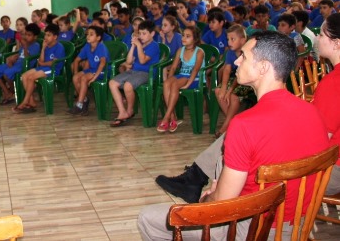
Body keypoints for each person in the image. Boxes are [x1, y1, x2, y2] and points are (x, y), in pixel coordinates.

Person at [139, 31, 330, 241]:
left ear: (263, 67)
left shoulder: (244, 124)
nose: (237, 61)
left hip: (255, 229)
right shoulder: (312, 111)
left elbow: (220, 205)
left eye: (244, 57)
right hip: (298, 225)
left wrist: (207, 198)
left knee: (148, 218)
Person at [109, 20, 160, 127]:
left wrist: (139, 46)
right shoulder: (139, 45)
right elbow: (128, 62)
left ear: (152, 34)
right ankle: (122, 111)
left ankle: (130, 110)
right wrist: (133, 46)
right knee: (112, 83)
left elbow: (142, 60)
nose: (141, 36)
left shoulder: (154, 46)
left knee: (128, 85)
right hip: (134, 71)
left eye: (144, 33)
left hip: (146, 73)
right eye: (140, 33)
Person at [312, 13, 340, 194]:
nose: (317, 38)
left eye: (321, 34)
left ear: (336, 43)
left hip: (333, 168)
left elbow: (320, 137)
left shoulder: (333, 82)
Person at [157, 26, 204, 133]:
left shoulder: (199, 52)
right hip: (182, 75)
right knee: (166, 83)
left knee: (175, 84)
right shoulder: (180, 50)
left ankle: (166, 118)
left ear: (195, 39)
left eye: (188, 36)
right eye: (183, 35)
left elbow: (195, 70)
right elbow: (173, 67)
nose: (183, 38)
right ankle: (173, 118)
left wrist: (188, 84)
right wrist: (168, 82)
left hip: (194, 78)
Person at [14, 23, 65, 113]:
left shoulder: (59, 47)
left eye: (48, 35)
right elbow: (41, 60)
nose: (46, 37)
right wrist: (43, 49)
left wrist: (43, 63)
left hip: (53, 70)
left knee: (31, 78)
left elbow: (53, 63)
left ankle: (25, 102)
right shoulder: (46, 46)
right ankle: (32, 102)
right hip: (43, 68)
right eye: (45, 34)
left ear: (55, 37)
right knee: (24, 76)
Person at [0, 23, 41, 105]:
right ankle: (7, 92)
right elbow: (20, 54)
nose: (26, 37)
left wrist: (25, 47)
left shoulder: (36, 45)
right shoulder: (25, 44)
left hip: (24, 66)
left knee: (6, 74)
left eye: (29, 35)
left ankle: (13, 92)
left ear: (35, 37)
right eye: (26, 34)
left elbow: (28, 58)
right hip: (17, 64)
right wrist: (12, 58)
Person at [213, 25, 248, 138]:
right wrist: (223, 88)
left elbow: (241, 76)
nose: (229, 42)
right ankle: (233, 122)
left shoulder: (247, 52)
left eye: (233, 39)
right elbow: (227, 70)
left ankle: (225, 127)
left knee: (233, 96)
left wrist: (229, 91)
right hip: (236, 79)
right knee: (218, 91)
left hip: (248, 81)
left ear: (242, 40)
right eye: (228, 39)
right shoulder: (230, 53)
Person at [68, 26, 108, 116]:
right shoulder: (87, 46)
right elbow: (76, 60)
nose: (88, 36)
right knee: (75, 78)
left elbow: (102, 63)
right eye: (87, 34)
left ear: (98, 37)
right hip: (92, 70)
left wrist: (95, 77)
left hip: (102, 72)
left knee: (84, 78)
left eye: (91, 34)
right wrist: (76, 73)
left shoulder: (101, 47)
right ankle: (85, 99)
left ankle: (79, 104)